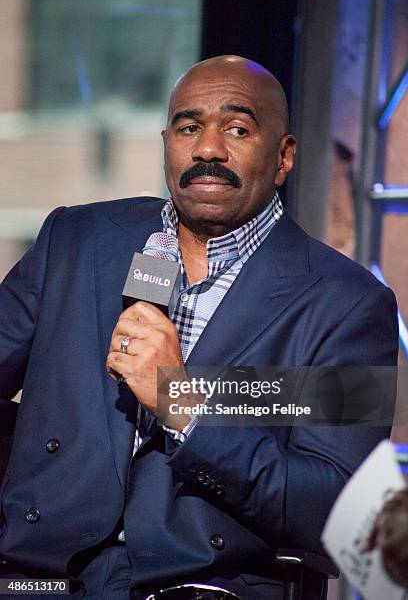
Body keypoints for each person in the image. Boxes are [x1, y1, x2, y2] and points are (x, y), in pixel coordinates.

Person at [0, 55, 399, 600]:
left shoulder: (344, 304)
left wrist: (185, 407)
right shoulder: (76, 241)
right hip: (37, 582)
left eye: (237, 129)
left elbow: (335, 507)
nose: (208, 149)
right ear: (167, 143)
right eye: (189, 128)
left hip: (202, 587)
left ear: (283, 157)